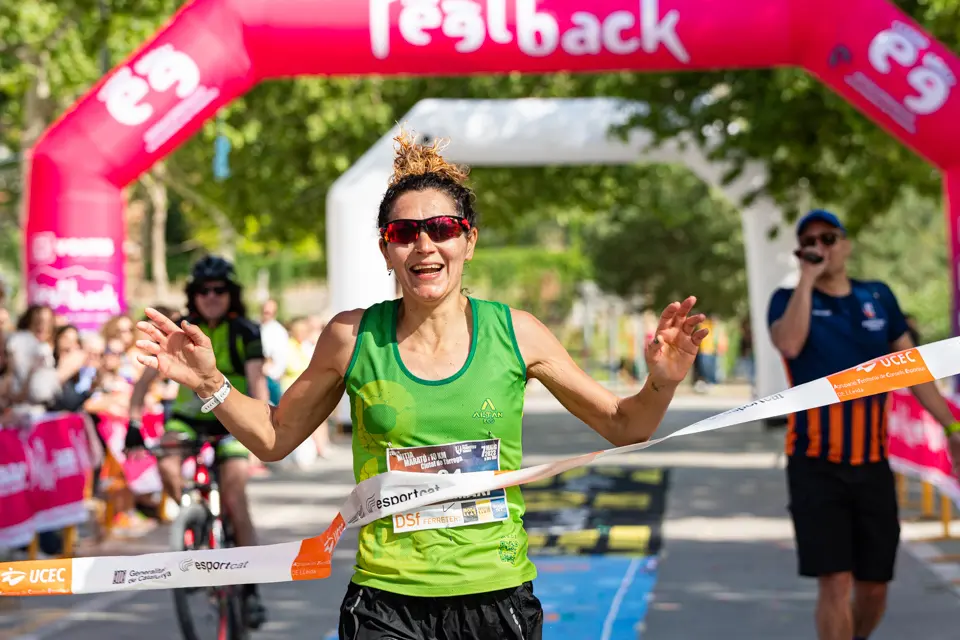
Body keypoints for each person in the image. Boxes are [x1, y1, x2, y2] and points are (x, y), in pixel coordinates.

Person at [132, 130, 708, 640]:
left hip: (495, 598)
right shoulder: (351, 338)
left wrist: (661, 383)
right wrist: (211, 381)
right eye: (405, 232)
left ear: (469, 241)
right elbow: (275, 437)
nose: (425, 244)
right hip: (387, 605)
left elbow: (625, 424)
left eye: (442, 228)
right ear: (386, 248)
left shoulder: (518, 334)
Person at [767, 209, 960, 640]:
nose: (821, 247)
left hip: (872, 464)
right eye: (810, 241)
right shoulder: (787, 300)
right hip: (814, 463)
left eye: (830, 237)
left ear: (847, 244)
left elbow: (913, 368)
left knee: (873, 587)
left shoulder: (877, 297)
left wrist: (951, 428)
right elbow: (790, 343)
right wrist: (805, 279)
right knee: (834, 581)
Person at [125, 255, 270, 629]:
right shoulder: (182, 330)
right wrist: (134, 423)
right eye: (203, 291)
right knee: (167, 462)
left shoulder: (246, 331)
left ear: (230, 293)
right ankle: (193, 519)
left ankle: (251, 590)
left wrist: (259, 427)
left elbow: (255, 382)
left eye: (219, 289)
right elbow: (145, 381)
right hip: (189, 418)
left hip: (232, 419)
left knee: (236, 498)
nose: (211, 296)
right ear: (194, 294)